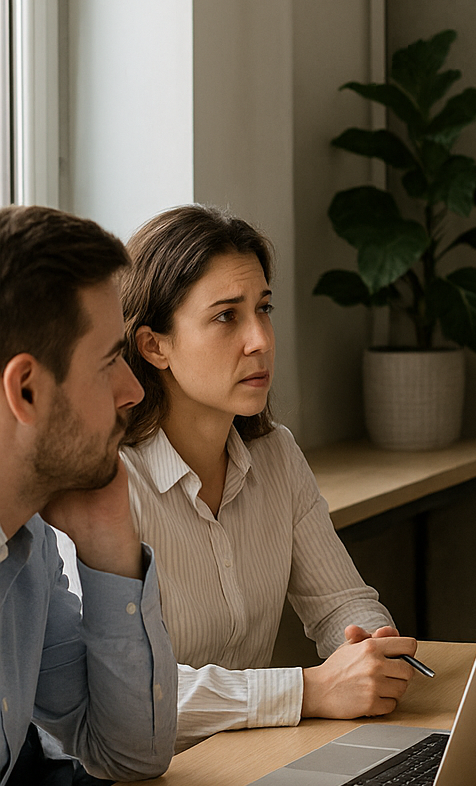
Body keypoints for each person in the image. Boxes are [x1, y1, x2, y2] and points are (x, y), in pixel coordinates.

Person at [0, 204, 281, 786]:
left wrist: (110, 548)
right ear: (26, 391)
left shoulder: (30, 546)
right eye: (107, 362)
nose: (132, 390)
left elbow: (129, 754)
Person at [119, 205, 418, 751]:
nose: (260, 339)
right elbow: (129, 696)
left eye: (263, 309)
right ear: (154, 345)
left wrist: (369, 644)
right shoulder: (112, 483)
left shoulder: (275, 454)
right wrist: (309, 690)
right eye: (226, 316)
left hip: (236, 758)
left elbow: (338, 602)